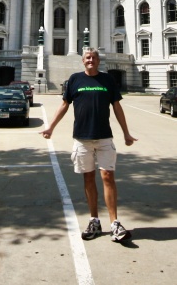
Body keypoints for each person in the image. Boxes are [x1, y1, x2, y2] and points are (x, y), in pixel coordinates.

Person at [40, 48, 137, 242]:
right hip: (82, 137)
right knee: (88, 179)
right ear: (83, 61)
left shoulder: (107, 80)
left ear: (99, 60)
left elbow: (117, 107)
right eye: (87, 58)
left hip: (104, 137)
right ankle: (94, 220)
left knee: (108, 177)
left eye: (93, 57)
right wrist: (51, 127)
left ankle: (114, 223)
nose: (90, 60)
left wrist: (126, 132)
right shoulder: (75, 79)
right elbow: (64, 105)